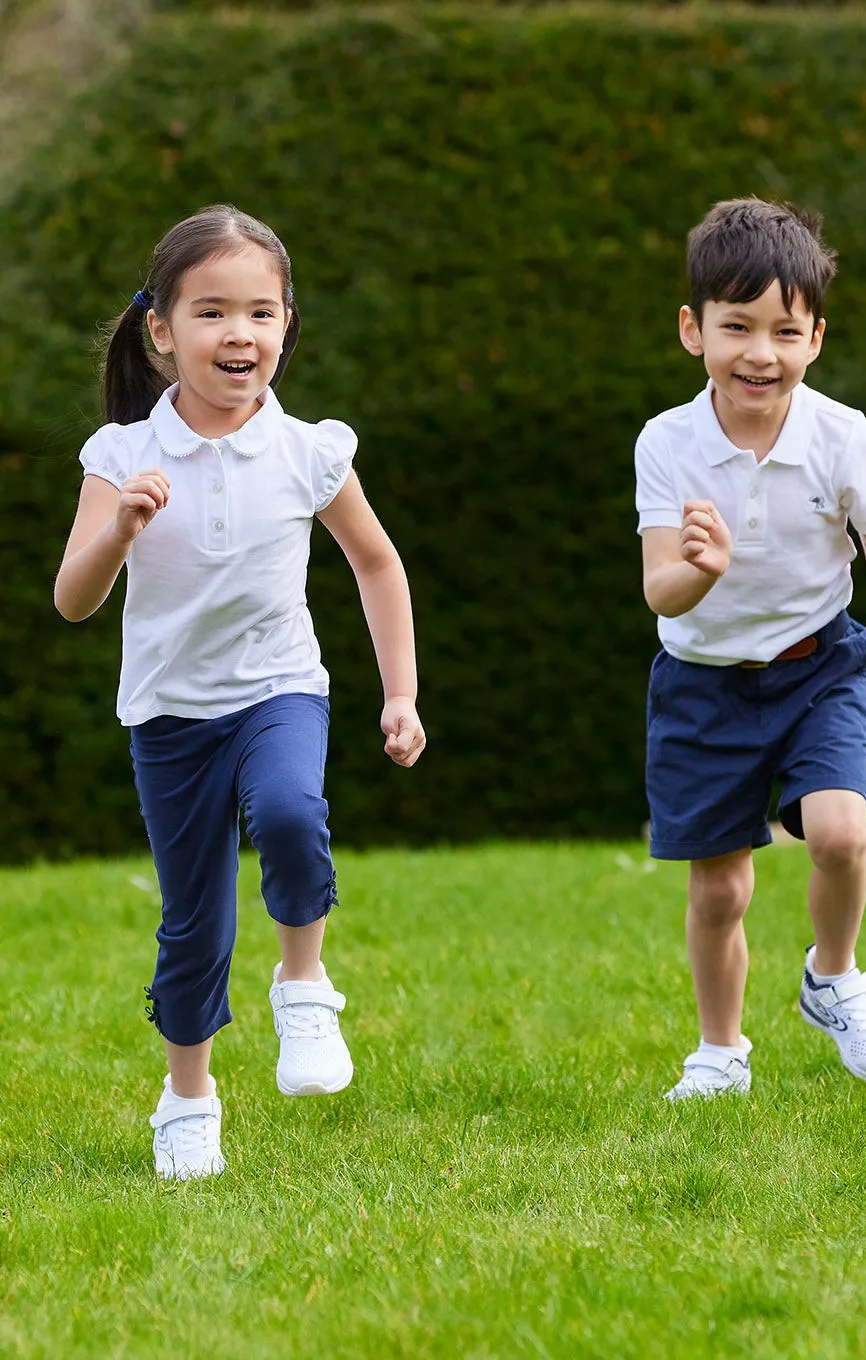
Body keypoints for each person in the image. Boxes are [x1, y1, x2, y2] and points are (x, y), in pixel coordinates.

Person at [55, 204, 425, 1176]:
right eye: (212, 312)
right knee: (195, 924)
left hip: (278, 689)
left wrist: (400, 695)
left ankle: (303, 987)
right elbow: (72, 598)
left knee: (294, 813)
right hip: (171, 716)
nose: (239, 334)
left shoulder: (311, 450)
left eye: (261, 313)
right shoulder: (121, 456)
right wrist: (119, 531)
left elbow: (377, 564)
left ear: (287, 326)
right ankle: (188, 1096)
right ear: (162, 330)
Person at [635, 198, 866, 1101]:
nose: (760, 353)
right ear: (694, 330)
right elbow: (658, 589)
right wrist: (705, 571)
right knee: (719, 893)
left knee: (840, 831)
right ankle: (720, 1055)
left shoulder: (844, 438)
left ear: (815, 339)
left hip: (819, 668)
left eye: (784, 332)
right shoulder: (667, 443)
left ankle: (832, 979)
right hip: (701, 682)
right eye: (737, 328)